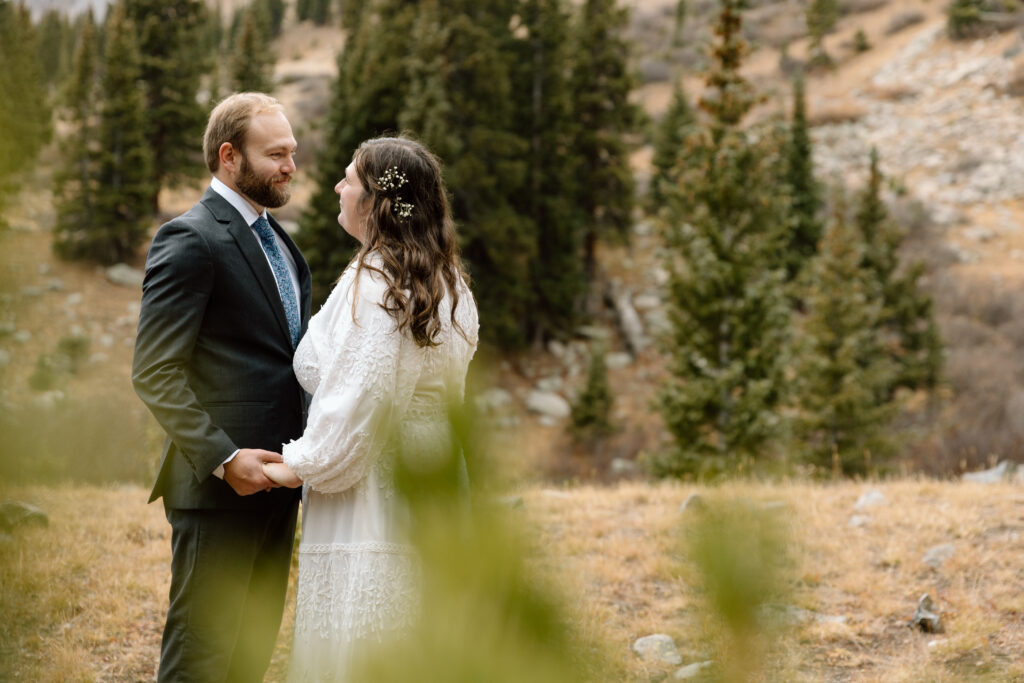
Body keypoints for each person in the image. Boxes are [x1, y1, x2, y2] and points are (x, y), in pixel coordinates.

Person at [262, 136, 479, 680]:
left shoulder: (379, 284)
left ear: (376, 201)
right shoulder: (449, 282)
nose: (338, 186)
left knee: (368, 634)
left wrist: (298, 465)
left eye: (349, 178)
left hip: (375, 489)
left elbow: (367, 398)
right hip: (433, 476)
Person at [132, 92, 311, 682]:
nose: (291, 165)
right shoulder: (191, 238)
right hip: (217, 492)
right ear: (229, 156)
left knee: (247, 659)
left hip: (277, 486)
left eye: (293, 152)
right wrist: (225, 458)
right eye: (276, 154)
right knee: (201, 657)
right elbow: (154, 370)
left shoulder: (279, 240)